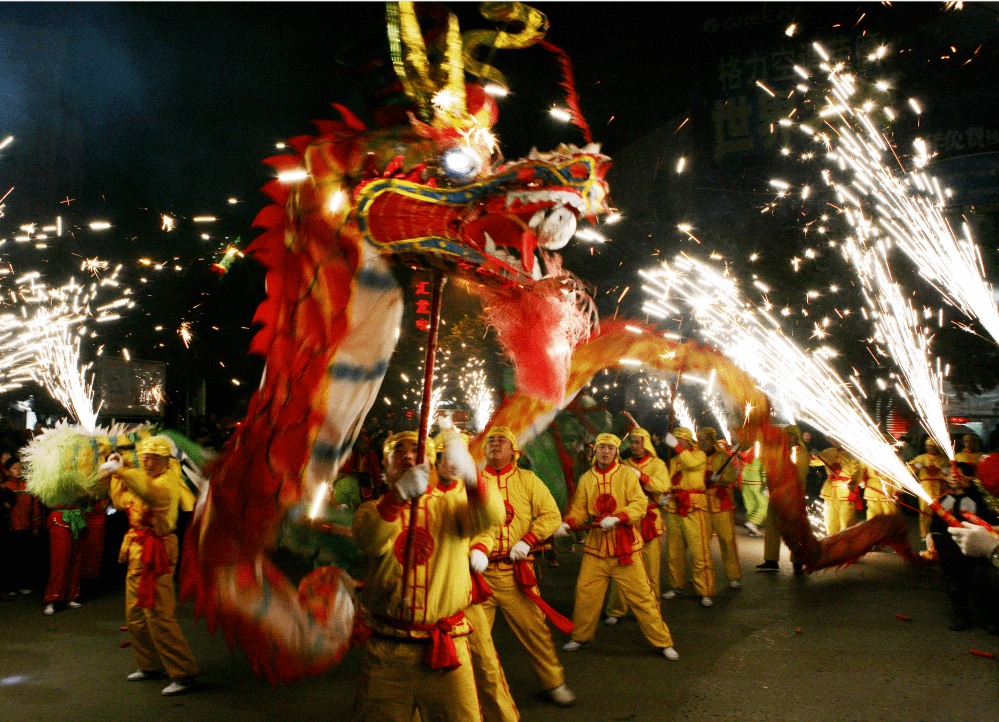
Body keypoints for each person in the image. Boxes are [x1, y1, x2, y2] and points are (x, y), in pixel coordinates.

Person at [351, 428, 504, 721]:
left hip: (447, 651)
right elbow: (371, 538)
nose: (409, 456)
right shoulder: (371, 510)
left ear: (429, 463)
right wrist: (397, 497)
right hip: (387, 652)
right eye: (399, 451)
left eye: (417, 450)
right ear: (385, 465)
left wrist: (471, 476)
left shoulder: (451, 507)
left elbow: (490, 516)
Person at [471, 426, 575, 709]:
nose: (494, 443)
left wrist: (528, 541)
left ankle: (554, 682)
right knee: (469, 638)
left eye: (501, 440)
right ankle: (467, 693)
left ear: (514, 450)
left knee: (536, 632)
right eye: (490, 440)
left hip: (514, 574)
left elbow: (551, 515)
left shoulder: (528, 480)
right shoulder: (473, 481)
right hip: (477, 576)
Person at [556, 433, 679, 659]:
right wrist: (569, 522)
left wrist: (620, 517)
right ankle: (580, 636)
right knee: (585, 594)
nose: (605, 452)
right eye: (601, 448)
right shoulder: (587, 478)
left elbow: (639, 504)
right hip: (596, 548)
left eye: (610, 449)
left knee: (642, 596)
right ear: (596, 451)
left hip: (625, 547)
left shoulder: (627, 475)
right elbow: (580, 508)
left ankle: (663, 641)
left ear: (616, 452)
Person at [98, 436, 200, 696]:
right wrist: (114, 473)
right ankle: (150, 665)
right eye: (145, 456)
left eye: (155, 457)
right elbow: (121, 502)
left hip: (158, 553)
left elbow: (149, 494)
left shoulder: (166, 481)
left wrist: (121, 470)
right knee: (135, 614)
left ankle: (183, 672)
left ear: (166, 460)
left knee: (159, 614)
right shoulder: (142, 477)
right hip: (136, 552)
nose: (148, 461)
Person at [604, 427, 670, 621]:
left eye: (637, 442)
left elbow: (662, 486)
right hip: (628, 521)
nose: (633, 446)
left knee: (651, 570)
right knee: (623, 566)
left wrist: (640, 476)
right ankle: (616, 610)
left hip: (649, 519)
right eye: (631, 442)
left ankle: (652, 609)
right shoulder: (622, 463)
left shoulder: (657, 464)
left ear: (645, 444)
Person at [929, 463, 999, 632]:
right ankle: (961, 617)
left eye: (959, 473)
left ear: (969, 477)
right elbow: (935, 528)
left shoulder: (979, 499)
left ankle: (988, 619)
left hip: (976, 552)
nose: (954, 476)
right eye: (951, 473)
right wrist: (941, 548)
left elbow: (989, 521)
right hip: (951, 552)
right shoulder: (941, 500)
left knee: (980, 585)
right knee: (955, 586)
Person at [662, 427, 716, 606]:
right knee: (674, 551)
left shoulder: (698, 455)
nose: (677, 442)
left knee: (699, 550)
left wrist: (676, 448)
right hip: (675, 505)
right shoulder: (675, 460)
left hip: (693, 505)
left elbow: (691, 463)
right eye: (675, 439)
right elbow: (669, 480)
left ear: (687, 441)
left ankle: (705, 590)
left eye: (680, 439)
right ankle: (677, 586)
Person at [759, 426, 809, 573]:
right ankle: (771, 560)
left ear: (797, 437)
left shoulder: (802, 453)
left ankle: (798, 561)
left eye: (792, 435)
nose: (788, 438)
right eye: (786, 435)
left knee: (795, 529)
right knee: (772, 526)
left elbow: (800, 475)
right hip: (776, 494)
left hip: (792, 496)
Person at [698, 428, 742, 587]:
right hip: (702, 504)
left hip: (721, 504)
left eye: (706, 439)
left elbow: (731, 477)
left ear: (712, 440)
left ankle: (733, 575)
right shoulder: (695, 458)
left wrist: (720, 477)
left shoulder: (723, 457)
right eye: (700, 439)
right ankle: (702, 575)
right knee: (701, 543)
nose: (703, 443)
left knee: (727, 540)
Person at [3, 456, 43, 597]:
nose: (18, 471)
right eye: (14, 468)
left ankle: (25, 585)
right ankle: (12, 587)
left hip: (27, 527)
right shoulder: (5, 487)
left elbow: (35, 507)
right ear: (8, 471)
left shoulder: (29, 486)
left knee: (26, 557)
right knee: (11, 558)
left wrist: (36, 525)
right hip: (11, 528)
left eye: (20, 468)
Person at [909, 438, 949, 552]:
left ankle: (938, 532)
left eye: (931, 446)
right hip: (925, 487)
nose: (929, 448)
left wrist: (946, 471)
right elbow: (909, 467)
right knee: (924, 510)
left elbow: (950, 472)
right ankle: (924, 533)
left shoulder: (944, 459)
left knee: (940, 511)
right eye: (927, 446)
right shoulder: (921, 457)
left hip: (939, 486)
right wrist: (914, 466)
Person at [818, 446, 860, 536]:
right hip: (830, 491)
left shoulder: (852, 454)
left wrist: (854, 482)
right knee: (830, 519)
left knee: (847, 520)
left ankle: (846, 542)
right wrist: (813, 456)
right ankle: (832, 541)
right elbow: (815, 461)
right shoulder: (828, 452)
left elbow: (858, 471)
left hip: (846, 491)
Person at [736, 440, 767, 537]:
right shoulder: (763, 450)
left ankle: (753, 529)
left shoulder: (749, 450)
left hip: (745, 481)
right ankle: (753, 523)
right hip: (757, 482)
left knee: (751, 506)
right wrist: (766, 483)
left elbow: (743, 459)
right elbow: (765, 468)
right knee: (764, 505)